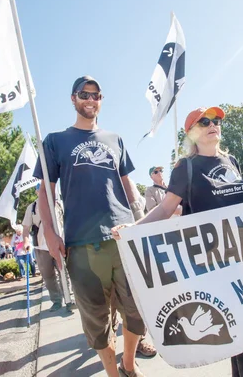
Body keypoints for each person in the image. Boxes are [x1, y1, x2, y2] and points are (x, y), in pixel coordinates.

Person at [113, 106, 243, 377]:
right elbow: (165, 209)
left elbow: (241, 201)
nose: (214, 125)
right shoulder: (185, 167)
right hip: (215, 266)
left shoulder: (231, 161)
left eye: (217, 120)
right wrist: (134, 229)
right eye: (205, 121)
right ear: (192, 132)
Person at [34, 76, 151, 377]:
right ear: (73, 99)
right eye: (84, 94)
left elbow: (128, 188)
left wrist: (140, 223)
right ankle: (113, 373)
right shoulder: (55, 141)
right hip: (82, 244)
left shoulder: (115, 139)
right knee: (97, 321)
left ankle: (128, 364)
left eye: (96, 95)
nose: (91, 100)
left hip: (123, 238)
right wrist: (50, 233)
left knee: (138, 311)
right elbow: (45, 194)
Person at [22, 184, 66, 312]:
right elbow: (26, 228)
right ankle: (56, 301)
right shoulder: (32, 208)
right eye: (40, 190)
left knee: (64, 273)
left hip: (59, 244)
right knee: (48, 275)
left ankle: (69, 298)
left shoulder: (59, 204)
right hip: (41, 247)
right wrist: (26, 242)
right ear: (37, 192)